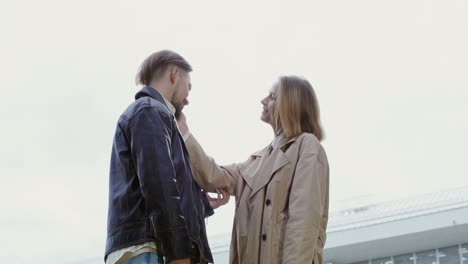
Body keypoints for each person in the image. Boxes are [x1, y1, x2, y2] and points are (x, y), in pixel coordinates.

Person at [177, 75, 330, 264]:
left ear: (291, 105)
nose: (263, 100)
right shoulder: (257, 160)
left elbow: (303, 224)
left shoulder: (307, 146)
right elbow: (213, 176)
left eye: (272, 96)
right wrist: (184, 132)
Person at [105, 50, 228, 264]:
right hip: (151, 248)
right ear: (174, 74)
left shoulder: (149, 113)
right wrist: (178, 252)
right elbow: (159, 186)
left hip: (150, 245)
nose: (187, 99)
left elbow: (161, 182)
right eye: (188, 87)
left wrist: (200, 203)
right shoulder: (150, 112)